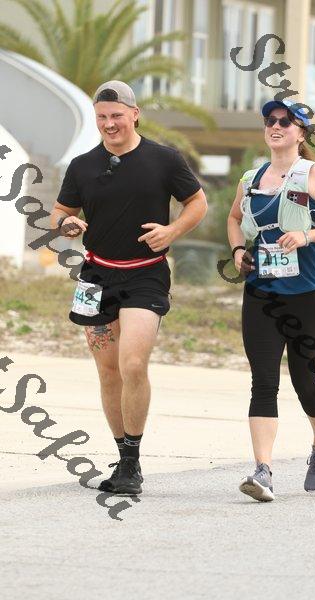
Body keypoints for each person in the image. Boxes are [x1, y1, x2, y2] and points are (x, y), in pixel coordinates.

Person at [50, 80, 207, 495]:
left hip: (146, 275)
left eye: (117, 115)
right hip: (95, 277)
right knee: (107, 372)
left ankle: (133, 461)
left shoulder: (164, 159)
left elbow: (197, 203)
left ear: (135, 114)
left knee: (133, 364)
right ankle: (123, 458)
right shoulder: (83, 165)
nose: (109, 124)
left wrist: (172, 231)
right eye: (102, 117)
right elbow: (60, 212)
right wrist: (67, 223)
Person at [227, 99, 315, 502]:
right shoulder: (251, 178)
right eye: (271, 120)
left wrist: (308, 235)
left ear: (301, 133)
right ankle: (262, 471)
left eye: (286, 121)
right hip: (261, 293)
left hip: (306, 293)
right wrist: (237, 250)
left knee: (304, 379)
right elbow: (234, 219)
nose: (277, 126)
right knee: (263, 380)